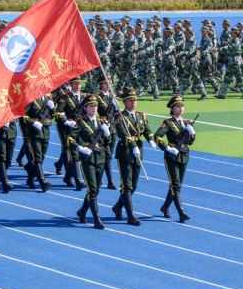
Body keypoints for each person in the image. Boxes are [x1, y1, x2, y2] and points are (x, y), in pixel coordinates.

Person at [112, 89, 157, 226]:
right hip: (125, 152)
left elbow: (147, 130)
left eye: (135, 100)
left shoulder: (141, 116)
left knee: (134, 185)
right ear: (124, 102)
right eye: (130, 100)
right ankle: (130, 215)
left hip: (138, 151)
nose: (133, 102)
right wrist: (132, 145)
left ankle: (118, 207)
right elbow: (123, 133)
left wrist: (150, 139)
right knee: (126, 185)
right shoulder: (119, 116)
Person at [69, 95, 112, 229]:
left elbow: (107, 142)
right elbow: (70, 138)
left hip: (100, 157)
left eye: (96, 106)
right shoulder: (80, 123)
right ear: (85, 108)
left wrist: (108, 134)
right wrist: (80, 148)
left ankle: (82, 211)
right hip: (87, 158)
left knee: (96, 189)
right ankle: (96, 219)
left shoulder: (101, 123)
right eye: (91, 106)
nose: (94, 108)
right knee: (92, 189)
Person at [154, 95, 195, 223]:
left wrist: (192, 133)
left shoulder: (186, 123)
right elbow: (157, 136)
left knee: (176, 185)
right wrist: (166, 148)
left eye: (182, 106)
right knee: (175, 185)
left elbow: (190, 142)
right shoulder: (168, 123)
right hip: (172, 156)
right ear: (172, 109)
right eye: (178, 106)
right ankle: (181, 212)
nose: (180, 108)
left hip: (184, 155)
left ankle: (165, 206)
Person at [22, 93, 56, 192]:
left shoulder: (47, 100)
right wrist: (33, 123)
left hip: (45, 132)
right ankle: (42, 182)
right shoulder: (31, 99)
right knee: (37, 158)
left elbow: (52, 116)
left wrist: (52, 107)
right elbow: (23, 115)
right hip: (35, 133)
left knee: (41, 158)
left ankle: (30, 177)